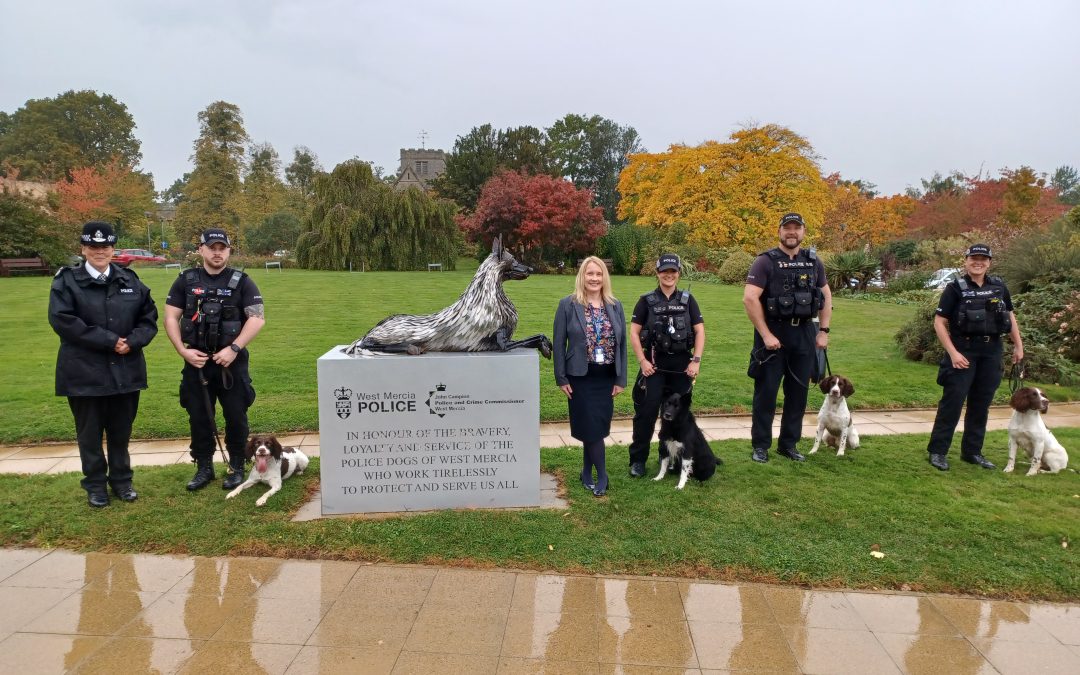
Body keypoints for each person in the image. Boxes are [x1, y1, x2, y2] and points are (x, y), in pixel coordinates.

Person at [48, 221, 158, 507]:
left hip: (126, 370)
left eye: (105, 246)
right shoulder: (66, 281)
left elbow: (148, 319)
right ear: (83, 248)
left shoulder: (130, 280)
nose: (100, 251)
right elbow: (64, 321)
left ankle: (122, 481)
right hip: (84, 372)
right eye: (93, 246)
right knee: (90, 435)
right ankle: (96, 485)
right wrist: (111, 340)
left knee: (121, 433)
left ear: (113, 249)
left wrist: (132, 341)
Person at [164, 228, 265, 491]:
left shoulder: (242, 281)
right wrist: (182, 351)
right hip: (196, 361)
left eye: (223, 248)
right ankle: (204, 467)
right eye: (212, 248)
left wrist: (234, 348)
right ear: (201, 250)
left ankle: (236, 466)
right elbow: (170, 317)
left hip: (231, 362)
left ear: (229, 251)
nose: (217, 252)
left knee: (236, 416)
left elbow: (256, 318)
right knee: (199, 416)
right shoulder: (185, 281)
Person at [743, 212, 832, 463]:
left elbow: (826, 297)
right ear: (779, 231)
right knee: (766, 394)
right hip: (773, 335)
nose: (791, 232)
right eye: (787, 228)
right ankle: (760, 446)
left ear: (803, 231)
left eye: (796, 228)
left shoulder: (814, 262)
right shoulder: (765, 261)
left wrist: (823, 331)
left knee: (798, 394)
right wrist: (766, 335)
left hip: (804, 334)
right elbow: (750, 298)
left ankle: (789, 445)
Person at [926, 244, 1023, 471]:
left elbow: (1009, 315)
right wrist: (953, 353)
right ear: (966, 260)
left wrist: (1018, 345)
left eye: (983, 259)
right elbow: (940, 323)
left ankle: (972, 452)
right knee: (953, 402)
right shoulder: (954, 288)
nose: (978, 262)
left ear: (989, 262)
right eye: (974, 258)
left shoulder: (999, 286)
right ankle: (938, 451)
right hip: (963, 351)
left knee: (981, 404)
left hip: (991, 352)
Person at [553, 256, 627, 496]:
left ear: (604, 277)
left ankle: (586, 471)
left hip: (606, 376)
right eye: (590, 274)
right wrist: (561, 378)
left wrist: (620, 378)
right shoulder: (568, 304)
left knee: (596, 426)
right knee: (591, 427)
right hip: (580, 377)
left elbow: (622, 345)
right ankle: (602, 476)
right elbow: (558, 342)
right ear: (582, 277)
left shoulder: (615, 305)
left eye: (598, 274)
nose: (594, 278)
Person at [627, 253, 705, 477]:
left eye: (673, 271)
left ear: (679, 273)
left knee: (678, 416)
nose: (669, 275)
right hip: (654, 366)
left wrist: (696, 360)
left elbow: (699, 330)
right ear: (657, 273)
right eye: (664, 271)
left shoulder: (688, 300)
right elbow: (634, 332)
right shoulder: (646, 301)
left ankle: (675, 459)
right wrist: (643, 361)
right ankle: (638, 460)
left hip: (682, 366)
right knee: (647, 413)